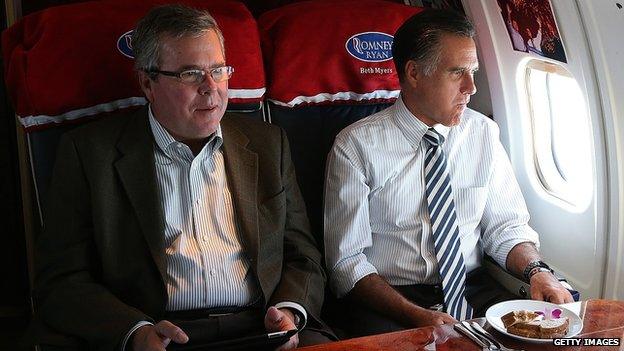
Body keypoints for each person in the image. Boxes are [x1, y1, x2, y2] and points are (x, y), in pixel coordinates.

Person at [30, 4, 332, 350]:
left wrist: (290, 312)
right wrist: (134, 331)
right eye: (190, 74)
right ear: (147, 82)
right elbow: (61, 281)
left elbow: (303, 256)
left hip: (260, 326)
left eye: (218, 70)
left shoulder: (267, 143)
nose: (211, 88)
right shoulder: (90, 154)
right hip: (159, 332)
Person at [324, 9, 573, 337]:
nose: (471, 87)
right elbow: (347, 264)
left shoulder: (483, 133)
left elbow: (505, 228)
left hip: (472, 288)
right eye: (457, 73)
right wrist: (416, 315)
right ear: (414, 73)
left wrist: (538, 272)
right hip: (392, 297)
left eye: (473, 71)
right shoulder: (355, 146)